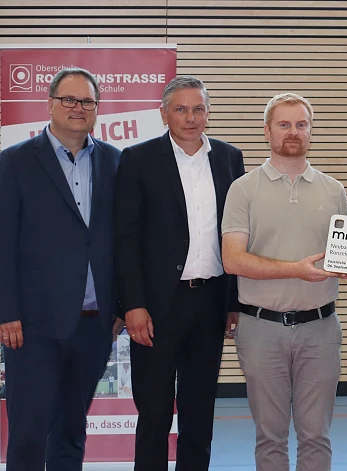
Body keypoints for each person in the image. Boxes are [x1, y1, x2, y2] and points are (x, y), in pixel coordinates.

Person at [114, 75, 245, 470]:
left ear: (208, 112)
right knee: (154, 413)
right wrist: (133, 304)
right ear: (164, 114)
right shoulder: (137, 159)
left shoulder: (228, 158)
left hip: (210, 302)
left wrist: (233, 301)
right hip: (156, 307)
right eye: (181, 109)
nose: (191, 117)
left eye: (199, 108)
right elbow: (125, 239)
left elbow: (237, 234)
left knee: (199, 411)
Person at [0, 67, 122, 470]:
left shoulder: (115, 162)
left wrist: (120, 305)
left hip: (93, 322)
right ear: (50, 103)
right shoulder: (14, 162)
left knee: (71, 430)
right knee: (29, 432)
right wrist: (7, 312)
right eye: (69, 99)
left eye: (87, 101)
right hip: (32, 326)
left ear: (96, 109)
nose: (78, 108)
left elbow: (123, 242)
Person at [222, 93, 347, 471]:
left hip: (321, 329)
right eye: (284, 124)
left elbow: (343, 256)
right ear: (267, 131)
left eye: (301, 124)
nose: (293, 132)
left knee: (316, 436)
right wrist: (295, 268)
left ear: (311, 131)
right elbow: (233, 259)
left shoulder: (334, 191)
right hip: (261, 329)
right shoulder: (243, 189)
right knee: (270, 437)